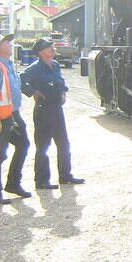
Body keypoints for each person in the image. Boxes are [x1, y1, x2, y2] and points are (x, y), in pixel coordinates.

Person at [20, 38, 84, 188]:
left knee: (63, 143)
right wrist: (33, 92)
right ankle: (42, 180)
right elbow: (20, 80)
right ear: (41, 52)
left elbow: (60, 80)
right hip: (43, 109)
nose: (53, 49)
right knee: (43, 145)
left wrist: (63, 92)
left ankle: (65, 175)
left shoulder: (55, 65)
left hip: (56, 108)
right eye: (50, 47)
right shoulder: (35, 68)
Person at [0, 33, 30, 204]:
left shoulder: (8, 65)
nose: (10, 44)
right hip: (1, 116)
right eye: (7, 42)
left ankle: (13, 183)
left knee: (23, 144)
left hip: (12, 113)